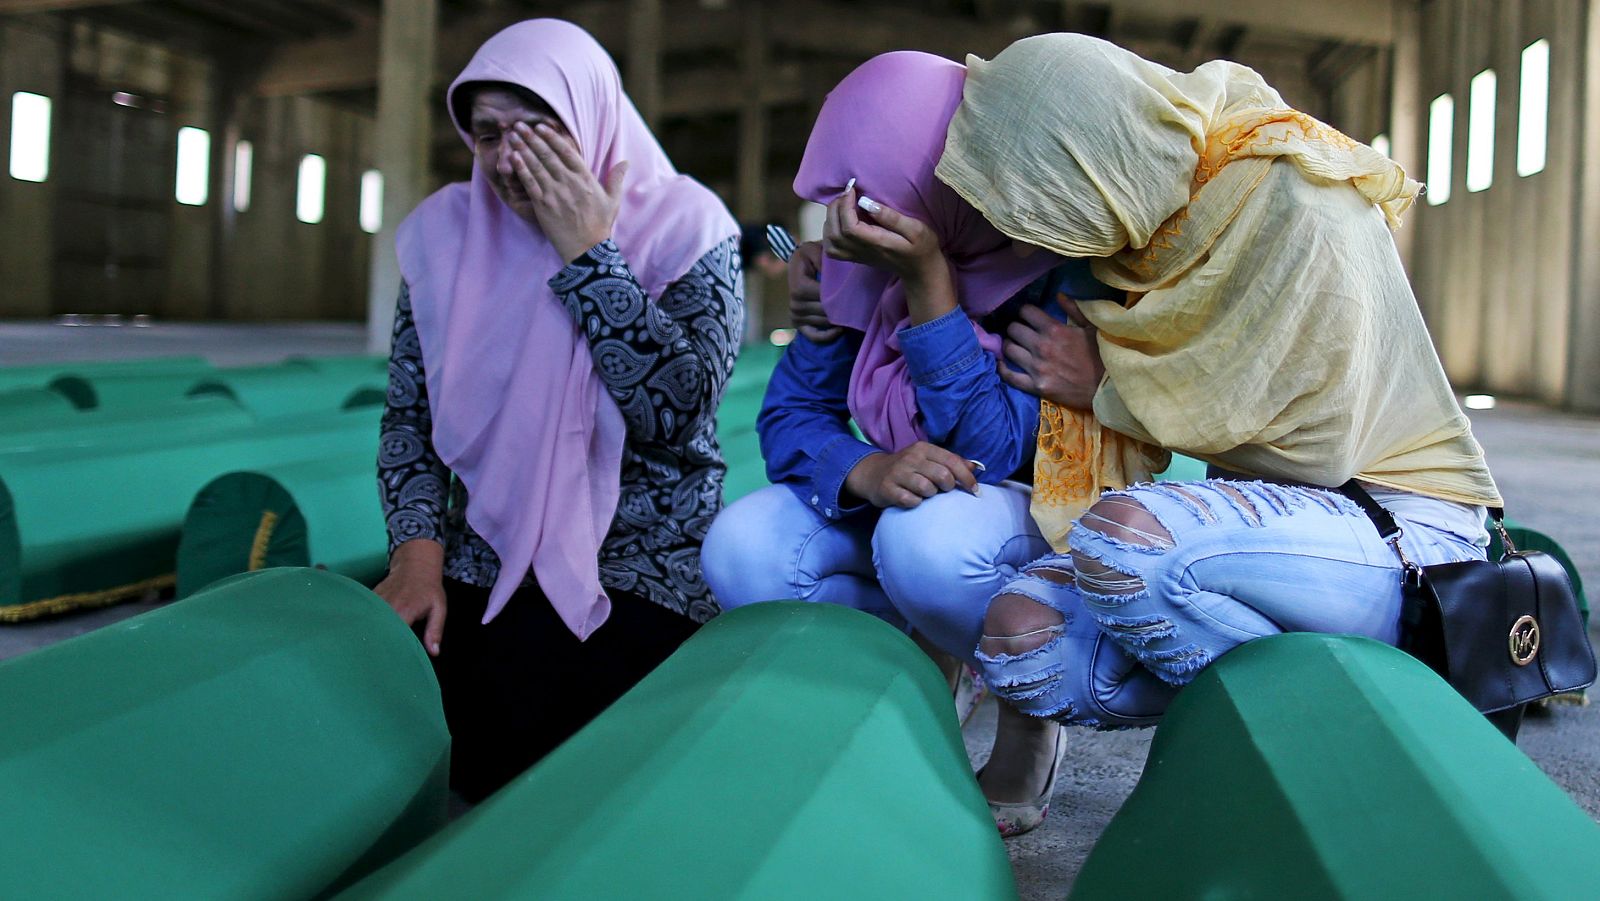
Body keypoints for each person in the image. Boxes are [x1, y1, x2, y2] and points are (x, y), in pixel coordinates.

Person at [928, 34, 1501, 792]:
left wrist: (1110, 384)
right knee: (1016, 637)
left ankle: (1321, 762)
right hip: (1264, 543)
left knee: (1125, 542)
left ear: (1090, 155)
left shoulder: (1299, 200)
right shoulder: (1148, 230)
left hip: (1400, 529)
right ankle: (1291, 708)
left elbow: (1321, 452)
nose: (1027, 231)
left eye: (1037, 198)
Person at [700, 51, 1145, 836]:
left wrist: (929, 285)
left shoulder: (1055, 265)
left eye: (886, 185)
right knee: (743, 545)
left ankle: (1029, 708)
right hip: (911, 499)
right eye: (854, 186)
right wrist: (866, 468)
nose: (860, 207)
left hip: (1028, 515)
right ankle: (919, 666)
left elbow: (998, 452)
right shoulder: (859, 254)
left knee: (928, 539)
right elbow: (791, 414)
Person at [375, 19, 742, 803]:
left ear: (591, 118)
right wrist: (417, 555)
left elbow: (675, 413)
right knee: (434, 731)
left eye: (540, 131)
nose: (512, 160)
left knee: (593, 762)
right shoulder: (445, 238)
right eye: (488, 135)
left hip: (643, 557)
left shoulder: (687, 226)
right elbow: (410, 417)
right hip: (488, 552)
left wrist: (590, 256)